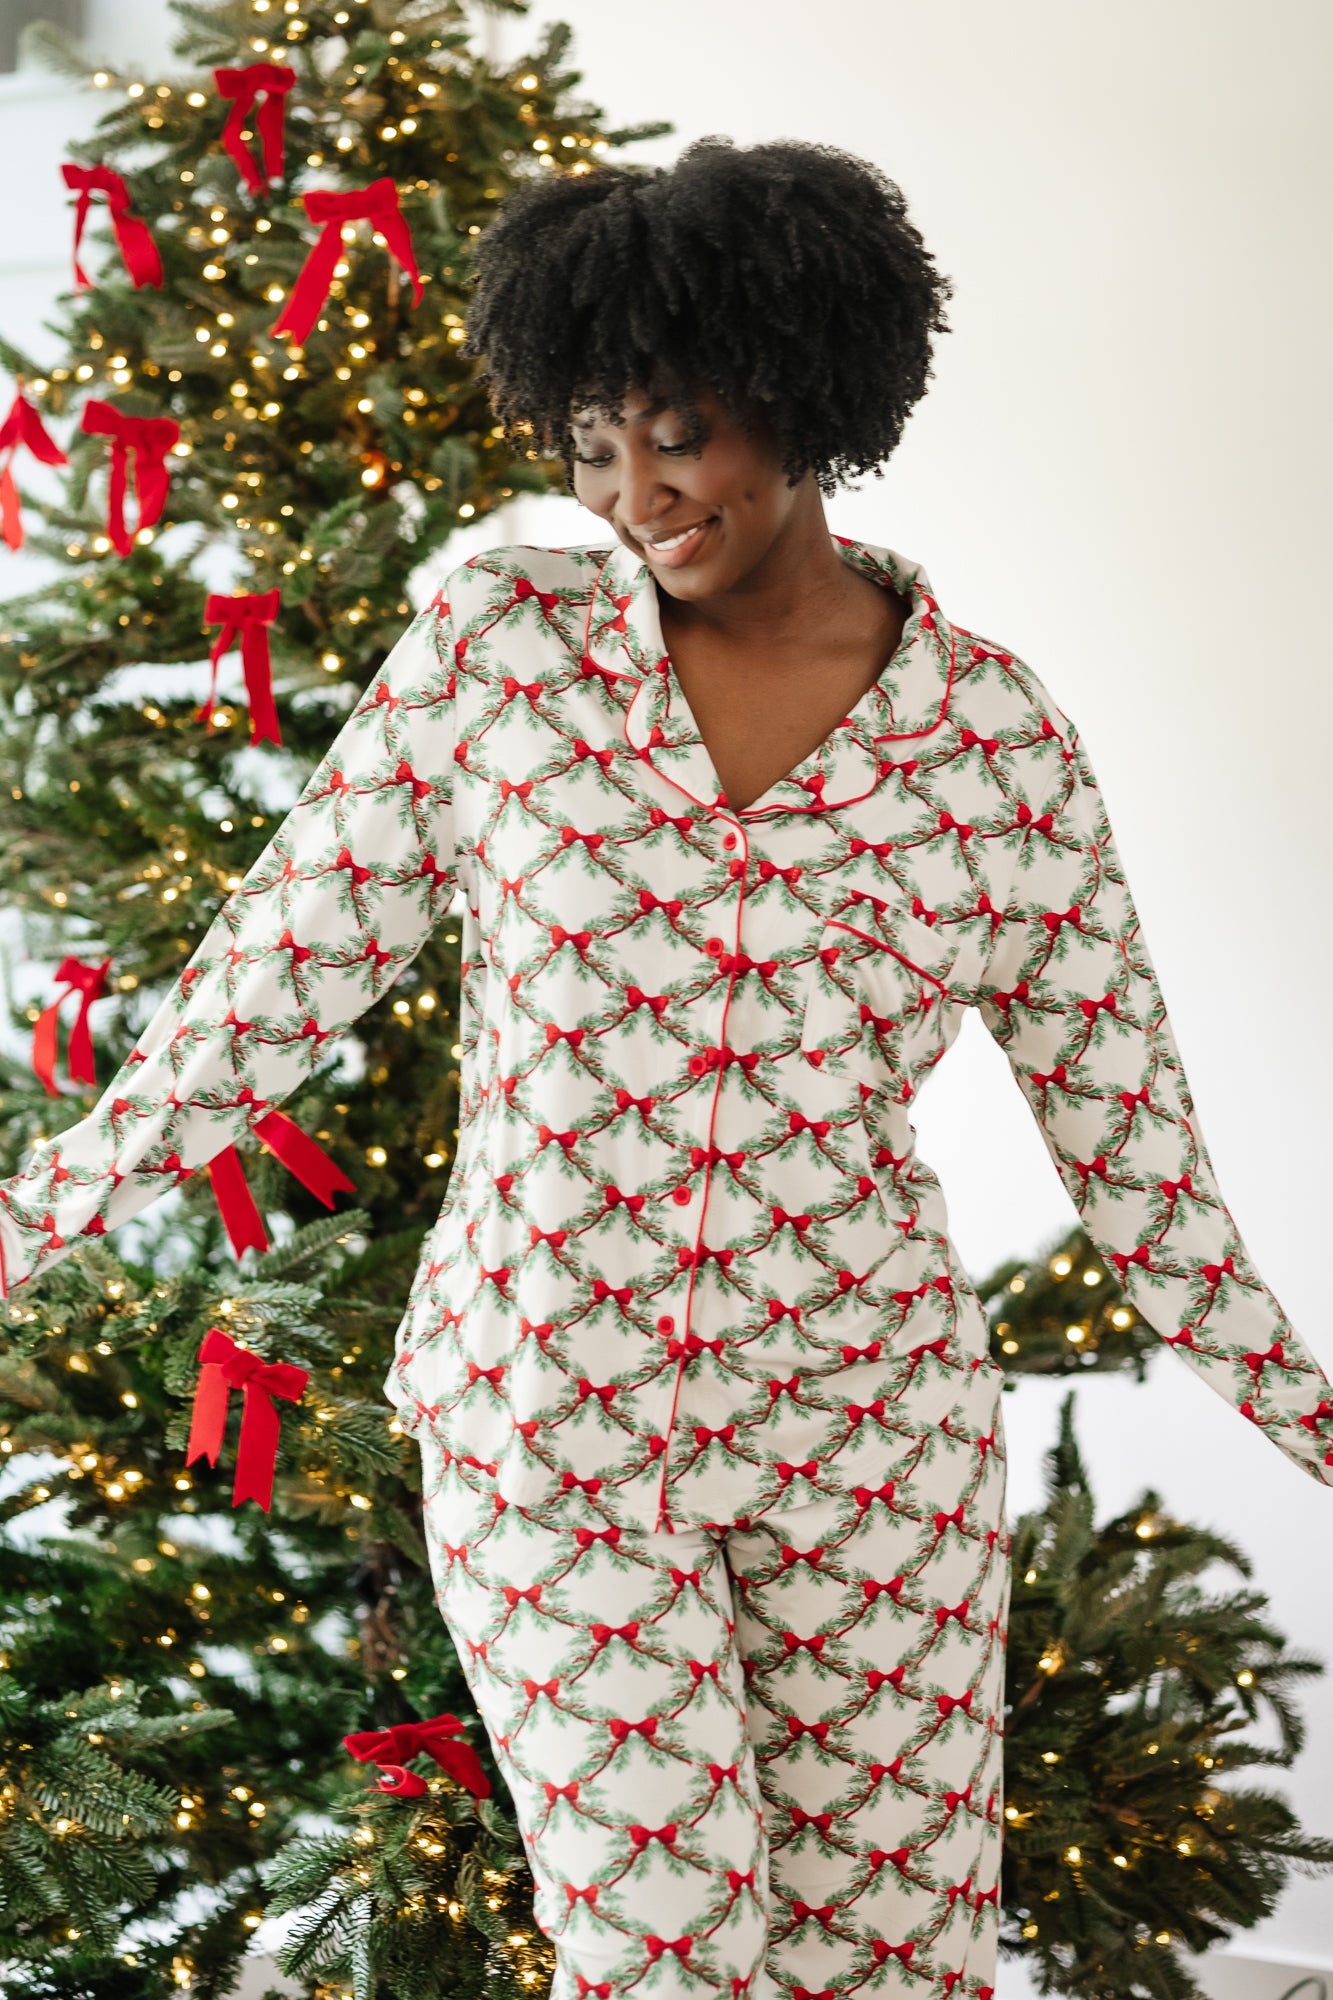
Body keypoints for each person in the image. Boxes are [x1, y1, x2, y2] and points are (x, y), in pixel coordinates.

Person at [1, 135, 1329, 2000]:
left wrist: (1311, 1414)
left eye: (677, 430)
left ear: (801, 389)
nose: (634, 494)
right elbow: (275, 973)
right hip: (551, 1425)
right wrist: (34, 1210)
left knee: (888, 1963)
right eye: (591, 444)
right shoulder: (499, 656)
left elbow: (1140, 1160)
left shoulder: (993, 742)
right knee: (664, 1954)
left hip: (868, 1447)